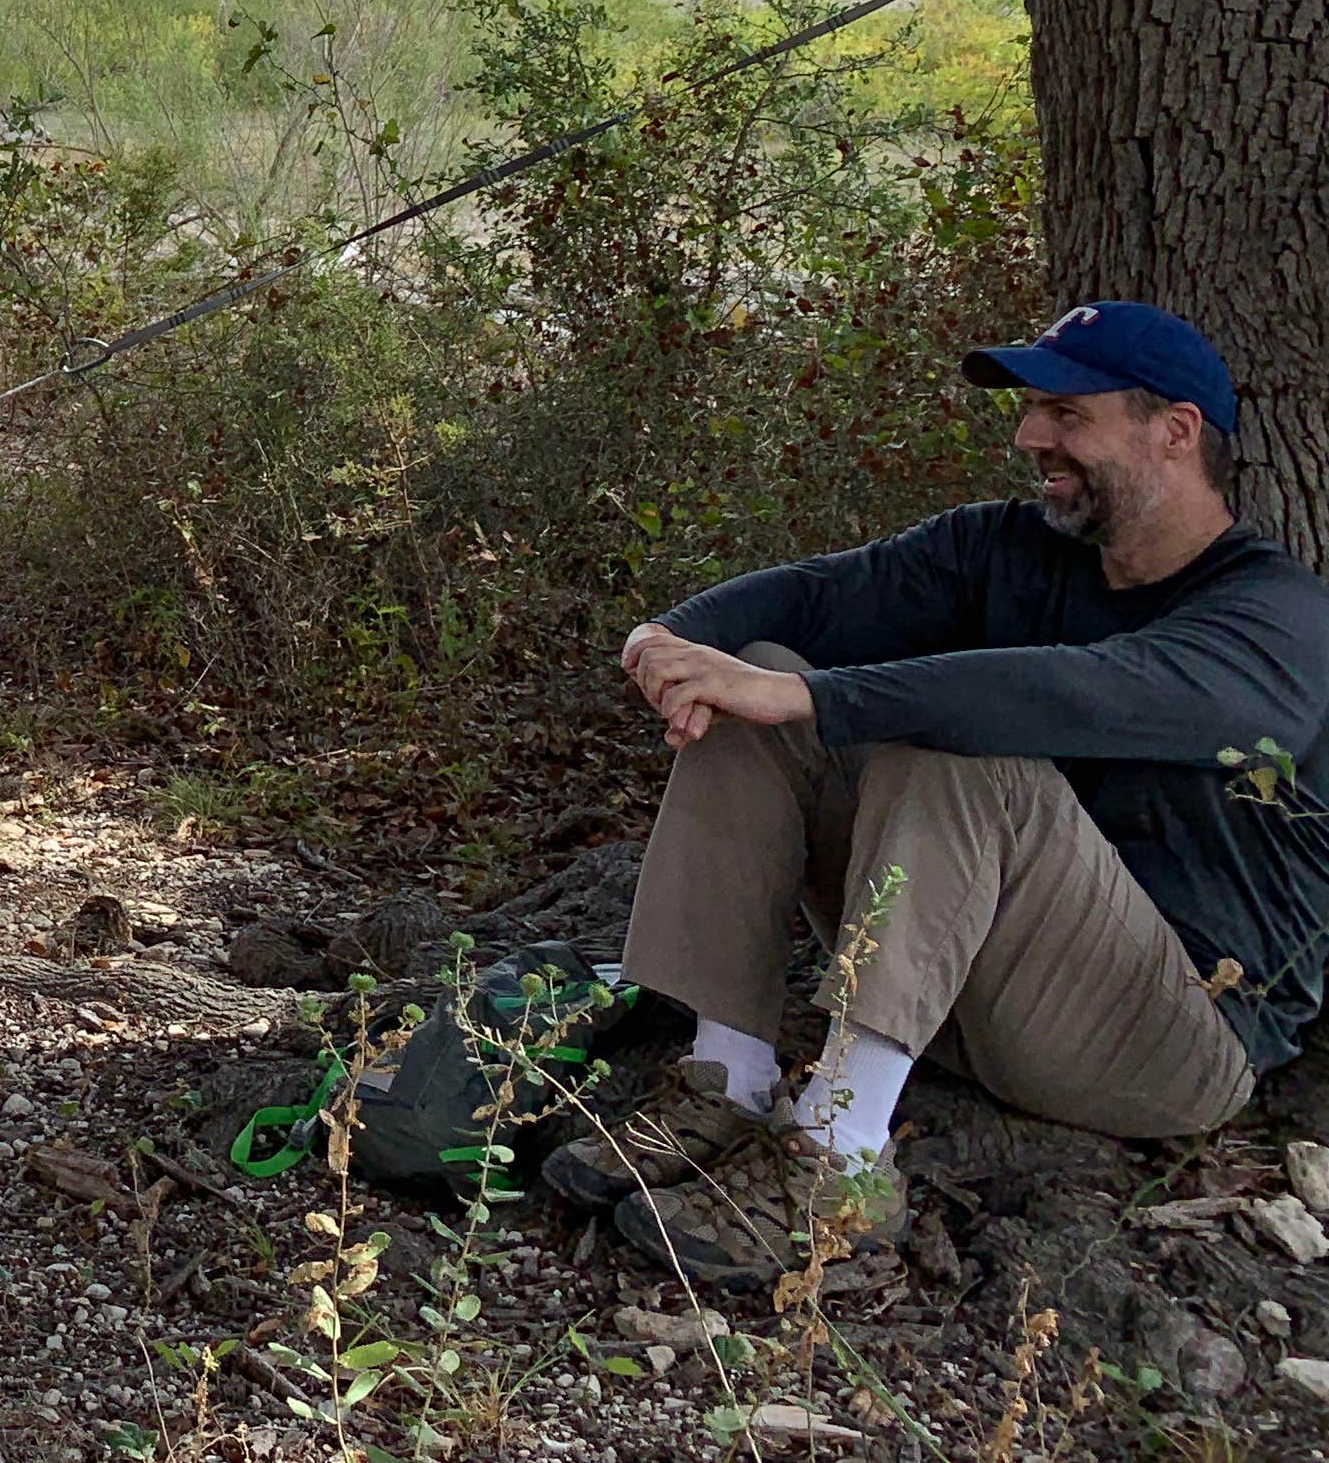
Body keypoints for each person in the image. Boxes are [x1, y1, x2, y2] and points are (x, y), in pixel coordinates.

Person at [553, 302, 1329, 1291]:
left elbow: (1080, 694)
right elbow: (818, 598)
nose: (1029, 436)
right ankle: (728, 1077)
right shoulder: (1003, 549)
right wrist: (669, 639)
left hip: (1172, 1037)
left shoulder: (1280, 619)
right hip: (970, 988)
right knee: (756, 679)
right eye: (1031, 411)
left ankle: (841, 1154)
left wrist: (819, 696)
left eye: (1065, 414)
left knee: (961, 744)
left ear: (1173, 431)